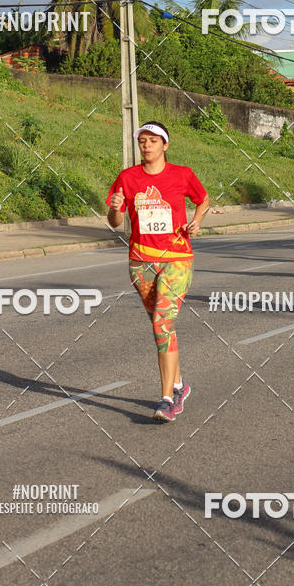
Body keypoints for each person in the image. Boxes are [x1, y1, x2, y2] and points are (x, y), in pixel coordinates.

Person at [106, 121, 209, 421]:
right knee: (162, 327)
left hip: (177, 258)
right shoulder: (127, 178)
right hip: (141, 262)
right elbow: (115, 221)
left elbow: (203, 199)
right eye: (142, 141)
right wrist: (114, 207)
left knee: (162, 324)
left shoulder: (182, 174)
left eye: (153, 140)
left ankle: (168, 399)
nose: (147, 145)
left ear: (165, 145)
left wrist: (197, 219)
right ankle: (179, 384)